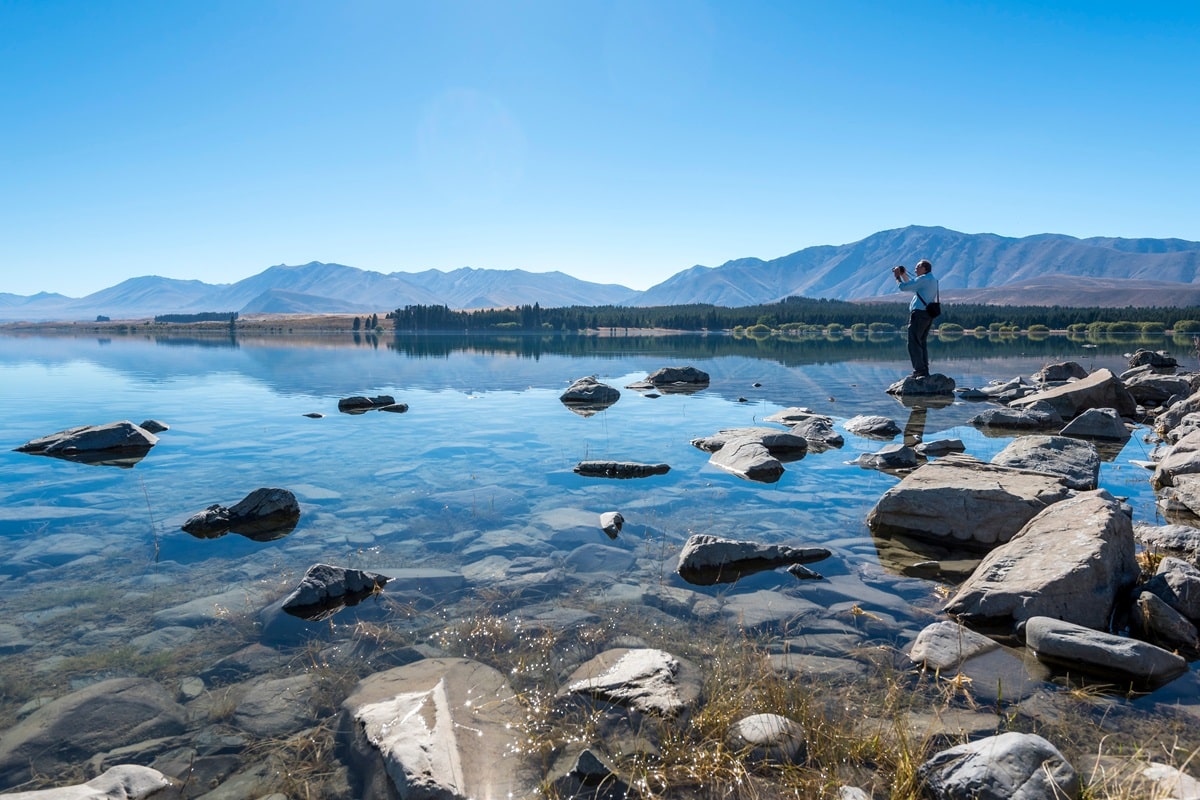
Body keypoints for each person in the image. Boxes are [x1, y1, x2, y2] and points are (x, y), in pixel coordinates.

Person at [892, 259, 938, 378]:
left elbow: (903, 287)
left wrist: (897, 277)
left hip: (919, 314)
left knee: (913, 343)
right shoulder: (931, 279)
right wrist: (904, 274)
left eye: (917, 267)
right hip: (927, 314)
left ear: (925, 268)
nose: (915, 269)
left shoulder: (923, 279)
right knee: (921, 342)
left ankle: (919, 370)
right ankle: (924, 370)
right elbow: (913, 286)